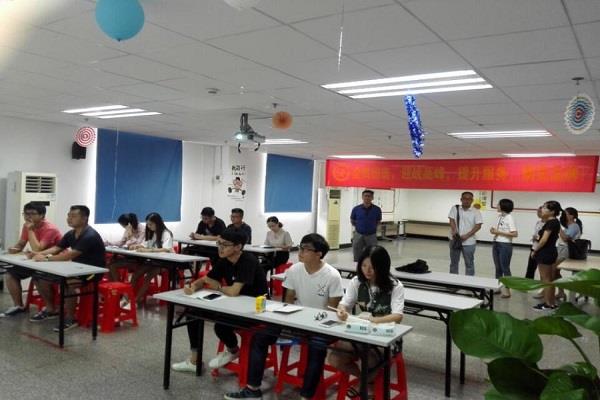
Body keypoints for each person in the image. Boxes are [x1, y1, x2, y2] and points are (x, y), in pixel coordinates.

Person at [223, 233, 343, 400]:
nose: (300, 252)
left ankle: (306, 396)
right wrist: (288, 322)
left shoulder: (332, 275)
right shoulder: (294, 270)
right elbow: (288, 302)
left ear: (319, 254)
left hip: (320, 325)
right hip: (296, 320)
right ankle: (253, 389)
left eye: (306, 249)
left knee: (317, 348)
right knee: (260, 337)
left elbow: (332, 310)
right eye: (300, 247)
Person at [172, 229, 267, 374]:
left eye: (225, 245)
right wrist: (193, 287)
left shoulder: (248, 261)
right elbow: (206, 279)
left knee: (221, 326)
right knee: (192, 313)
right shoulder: (224, 260)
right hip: (234, 304)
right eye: (219, 243)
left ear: (238, 247)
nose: (220, 248)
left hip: (256, 309)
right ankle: (194, 361)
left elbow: (233, 291)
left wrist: (218, 287)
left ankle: (233, 350)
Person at [328, 246, 404, 396]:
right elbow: (345, 303)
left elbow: (398, 317)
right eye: (364, 266)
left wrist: (374, 320)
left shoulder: (395, 286)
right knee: (335, 359)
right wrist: (341, 310)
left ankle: (365, 384)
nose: (367, 270)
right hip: (360, 332)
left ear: (382, 267)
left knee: (371, 360)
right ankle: (367, 382)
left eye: (372, 267)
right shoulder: (357, 282)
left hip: (385, 336)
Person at [28, 205, 105, 331]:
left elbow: (69, 255)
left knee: (68, 283)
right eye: (68, 215)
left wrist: (45, 259)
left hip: (93, 272)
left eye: (73, 216)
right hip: (75, 269)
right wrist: (38, 254)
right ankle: (51, 309)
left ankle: (70, 318)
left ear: (84, 218)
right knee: (39, 278)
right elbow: (57, 248)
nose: (69, 218)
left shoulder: (90, 235)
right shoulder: (71, 234)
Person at [0, 202, 62, 318]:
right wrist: (15, 248)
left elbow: (37, 248)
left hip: (54, 262)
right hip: (37, 261)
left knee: (39, 277)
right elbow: (21, 243)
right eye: (26, 213)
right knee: (11, 274)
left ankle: (51, 309)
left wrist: (30, 230)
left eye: (32, 213)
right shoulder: (27, 226)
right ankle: (18, 306)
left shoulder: (50, 229)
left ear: (42, 215)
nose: (28, 216)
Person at [129, 212, 173, 304]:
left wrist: (149, 250)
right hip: (153, 261)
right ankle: (128, 298)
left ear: (158, 223)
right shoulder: (153, 233)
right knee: (136, 275)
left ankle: (135, 301)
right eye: (148, 224)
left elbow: (166, 249)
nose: (149, 227)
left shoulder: (166, 233)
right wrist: (137, 246)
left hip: (164, 263)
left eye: (151, 224)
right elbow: (146, 244)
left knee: (148, 277)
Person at [531, 201, 562, 311]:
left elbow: (544, 240)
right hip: (550, 251)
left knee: (546, 279)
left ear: (552, 211)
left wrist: (535, 250)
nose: (542, 210)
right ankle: (551, 303)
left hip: (545, 252)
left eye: (545, 208)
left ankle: (548, 304)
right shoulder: (554, 222)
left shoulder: (551, 223)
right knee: (550, 279)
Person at [448, 192, 483, 276]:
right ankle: (453, 280)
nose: (467, 200)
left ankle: (469, 281)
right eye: (465, 198)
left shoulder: (476, 212)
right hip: (455, 240)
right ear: (461, 199)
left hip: (469, 242)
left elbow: (478, 225)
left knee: (469, 263)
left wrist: (467, 235)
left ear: (472, 200)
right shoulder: (455, 208)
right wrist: (454, 230)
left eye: (469, 199)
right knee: (454, 262)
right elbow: (451, 219)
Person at [490, 199, 518, 298]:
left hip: (505, 245)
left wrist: (498, 232)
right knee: (498, 268)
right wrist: (493, 231)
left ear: (503, 206)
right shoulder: (499, 216)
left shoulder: (509, 218)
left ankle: (507, 290)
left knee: (505, 268)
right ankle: (497, 288)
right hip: (496, 243)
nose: (497, 206)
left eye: (498, 204)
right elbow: (498, 230)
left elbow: (515, 234)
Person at [104, 213, 145, 281]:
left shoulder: (142, 229)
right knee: (108, 265)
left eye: (123, 225)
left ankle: (117, 284)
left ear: (128, 224)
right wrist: (109, 243)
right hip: (129, 257)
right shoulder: (128, 228)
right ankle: (112, 285)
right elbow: (121, 242)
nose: (123, 227)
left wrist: (130, 234)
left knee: (112, 266)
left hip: (138, 259)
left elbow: (138, 244)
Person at [553, 207, 582, 301]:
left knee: (554, 270)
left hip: (566, 251)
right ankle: (561, 292)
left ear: (572, 216)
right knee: (555, 271)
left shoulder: (574, 226)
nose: (564, 216)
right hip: (561, 249)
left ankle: (561, 292)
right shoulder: (568, 226)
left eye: (566, 214)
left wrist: (559, 228)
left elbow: (565, 238)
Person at [350, 190, 382, 263]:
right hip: (358, 234)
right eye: (365, 196)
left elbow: (378, 221)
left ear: (372, 198)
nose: (367, 197)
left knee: (373, 254)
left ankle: (371, 266)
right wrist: (359, 227)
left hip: (371, 235)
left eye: (369, 196)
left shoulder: (377, 209)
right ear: (362, 197)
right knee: (357, 254)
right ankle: (357, 267)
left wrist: (371, 228)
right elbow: (352, 220)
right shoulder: (356, 209)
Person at [525, 207, 545, 280]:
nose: (538, 213)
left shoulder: (548, 224)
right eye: (537, 212)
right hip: (534, 246)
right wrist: (534, 238)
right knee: (531, 267)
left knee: (542, 269)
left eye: (539, 212)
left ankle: (543, 284)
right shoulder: (538, 222)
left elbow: (544, 238)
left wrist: (537, 238)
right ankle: (528, 282)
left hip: (542, 248)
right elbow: (536, 233)